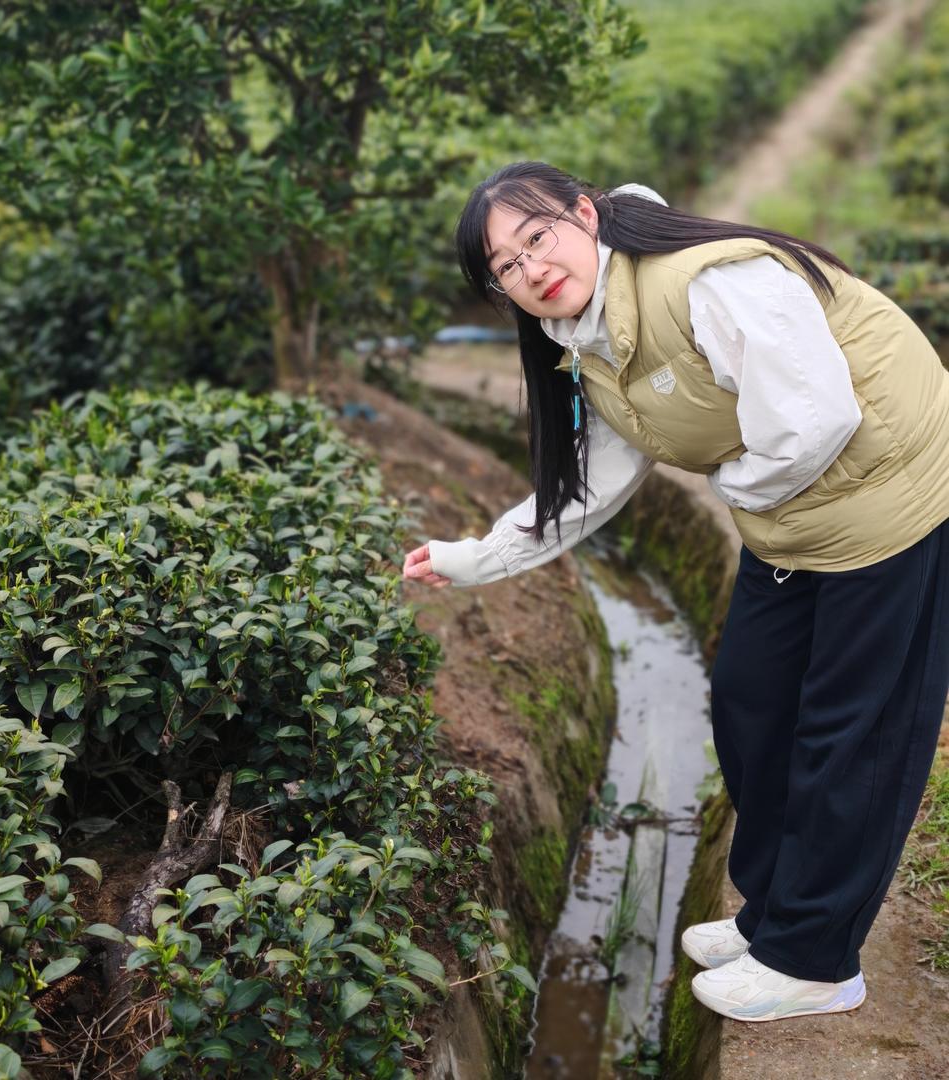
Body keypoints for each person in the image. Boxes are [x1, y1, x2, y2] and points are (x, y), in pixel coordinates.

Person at [401, 160, 949, 1022]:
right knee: (749, 703)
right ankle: (773, 918)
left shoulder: (704, 280)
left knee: (853, 736)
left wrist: (735, 485)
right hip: (797, 517)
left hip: (893, 497)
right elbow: (598, 478)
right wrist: (474, 558)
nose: (529, 268)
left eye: (536, 236)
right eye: (504, 268)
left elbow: (815, 421)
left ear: (585, 213)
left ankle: (815, 960)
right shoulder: (588, 335)